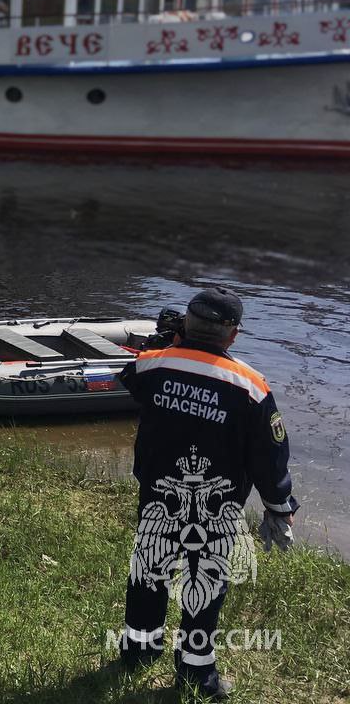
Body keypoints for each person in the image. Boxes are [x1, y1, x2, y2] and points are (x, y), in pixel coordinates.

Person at [117, 287, 298, 700]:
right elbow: (269, 456)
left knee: (149, 570)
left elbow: (132, 381)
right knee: (206, 580)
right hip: (217, 506)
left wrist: (171, 345)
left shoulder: (152, 366)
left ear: (186, 321)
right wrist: (279, 506)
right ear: (233, 335)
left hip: (159, 493)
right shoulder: (250, 387)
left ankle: (138, 651)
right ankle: (197, 675)